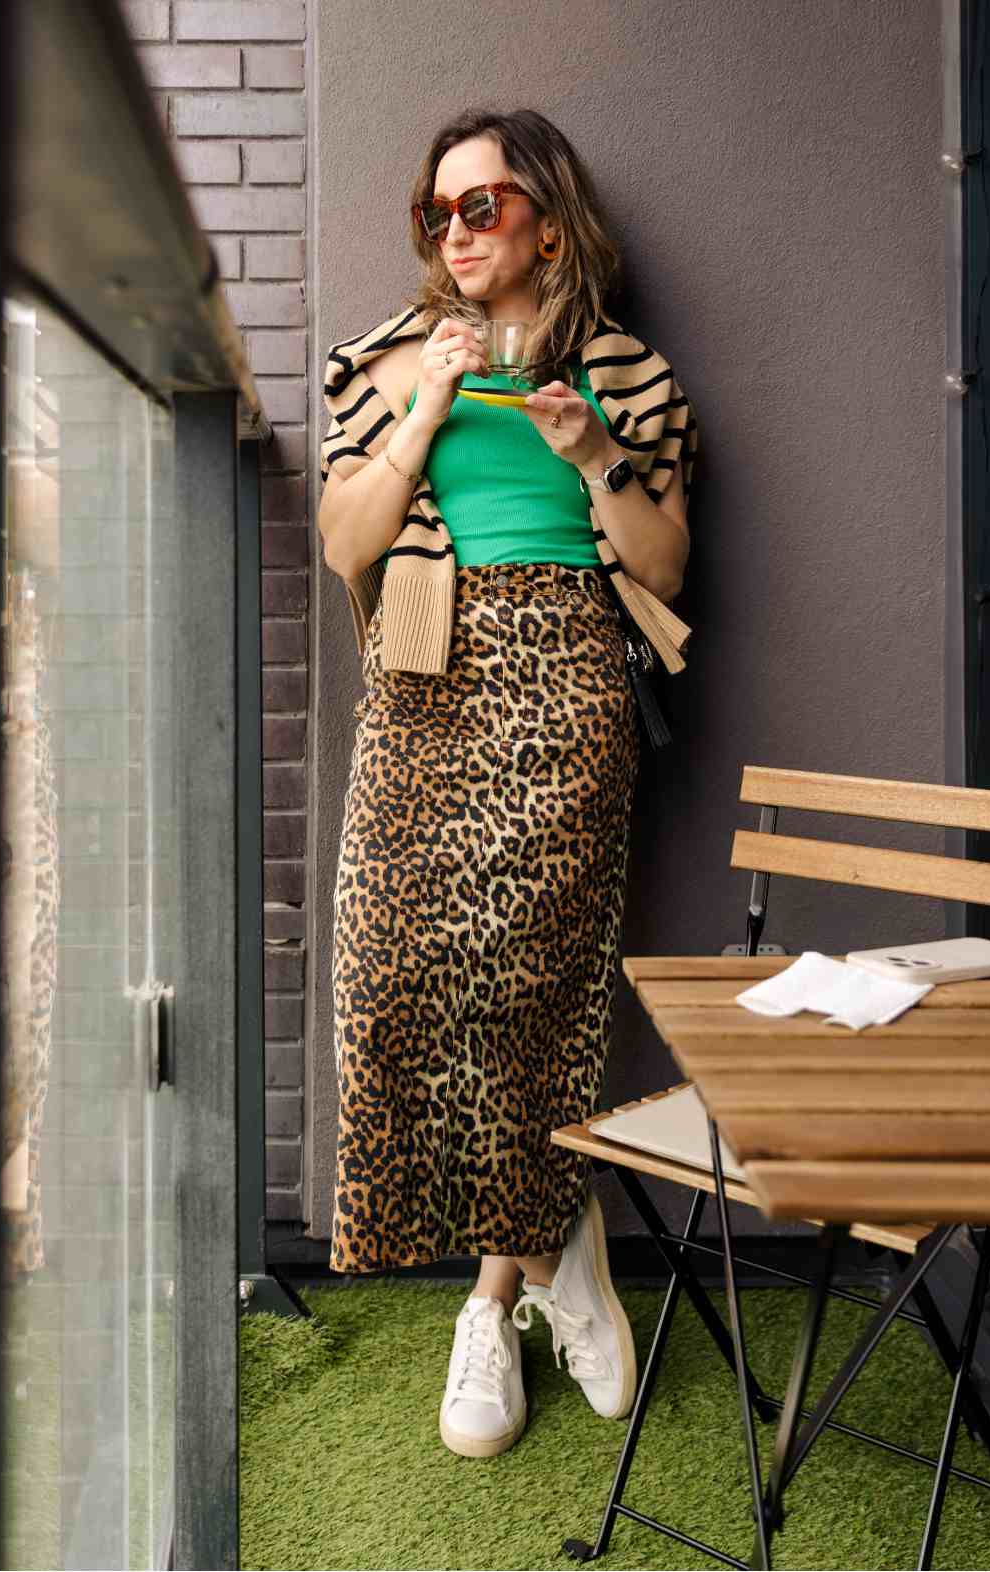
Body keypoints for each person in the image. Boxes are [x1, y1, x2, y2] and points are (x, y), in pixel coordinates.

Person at [318, 107, 696, 1459]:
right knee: (396, 978)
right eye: (440, 211)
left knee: (532, 988)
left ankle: (493, 1300)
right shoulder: (374, 362)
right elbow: (348, 541)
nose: (458, 232)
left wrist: (590, 449)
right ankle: (561, 1252)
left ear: (545, 213)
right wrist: (424, 409)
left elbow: (660, 569)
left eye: (482, 206)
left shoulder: (627, 372)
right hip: (423, 678)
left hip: (569, 682)